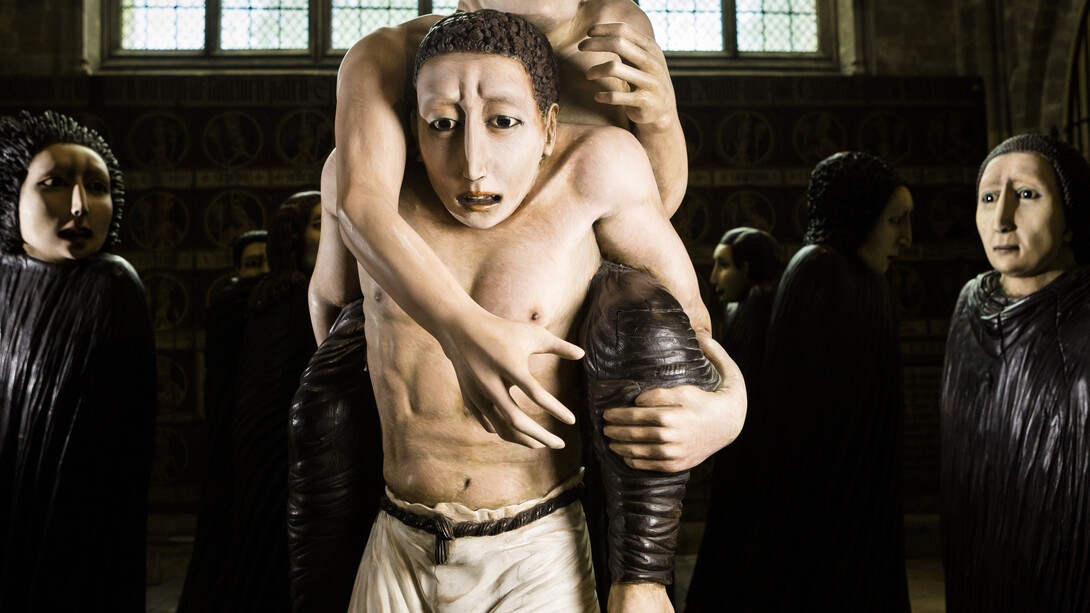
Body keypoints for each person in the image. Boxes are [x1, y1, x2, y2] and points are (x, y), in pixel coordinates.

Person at [334, 11, 736, 612]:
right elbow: (332, 326)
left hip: (533, 547)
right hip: (397, 540)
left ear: (548, 126)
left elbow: (689, 323)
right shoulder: (368, 188)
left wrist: (730, 410)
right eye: (442, 123)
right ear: (412, 126)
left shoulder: (595, 172)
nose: (473, 164)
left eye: (503, 122)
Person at [704, 151, 913, 611]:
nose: (907, 237)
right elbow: (792, 409)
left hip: (864, 487)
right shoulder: (816, 268)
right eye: (896, 221)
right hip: (821, 496)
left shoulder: (872, 279)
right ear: (860, 215)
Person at [0, 110, 157, 611]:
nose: (79, 206)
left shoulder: (112, 285)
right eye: (53, 184)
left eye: (97, 187)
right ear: (12, 194)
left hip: (81, 509)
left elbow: (124, 433)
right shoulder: (5, 279)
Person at [941, 134, 1090, 612]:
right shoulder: (972, 305)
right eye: (989, 198)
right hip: (982, 549)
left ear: (1070, 217)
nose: (1002, 218)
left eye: (1027, 194)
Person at [179, 192, 321, 613]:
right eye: (319, 225)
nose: (332, 233)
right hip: (274, 456)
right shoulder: (281, 299)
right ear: (291, 237)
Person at [686, 227, 782, 611]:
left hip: (754, 457)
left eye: (723, 265)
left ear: (746, 268)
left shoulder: (760, 307)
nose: (713, 278)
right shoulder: (739, 308)